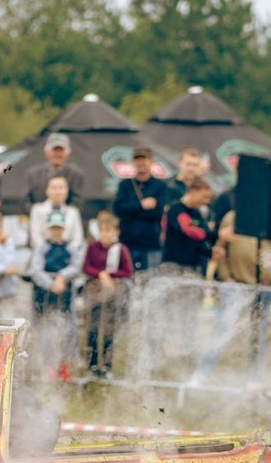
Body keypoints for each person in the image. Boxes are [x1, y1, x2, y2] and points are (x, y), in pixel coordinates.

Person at [28, 210, 83, 376]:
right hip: (44, 297)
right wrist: (51, 284)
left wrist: (62, 276)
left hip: (65, 297)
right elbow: (36, 270)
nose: (56, 231)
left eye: (59, 228)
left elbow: (76, 266)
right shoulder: (41, 248)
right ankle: (47, 366)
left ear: (63, 228)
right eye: (53, 228)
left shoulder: (71, 248)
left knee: (67, 330)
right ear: (49, 229)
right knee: (45, 331)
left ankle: (64, 364)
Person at [81, 211, 133, 376]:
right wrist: (101, 274)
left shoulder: (121, 249)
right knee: (93, 328)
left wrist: (110, 276)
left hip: (113, 293)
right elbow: (86, 267)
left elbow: (127, 271)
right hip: (94, 293)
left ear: (116, 232)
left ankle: (107, 365)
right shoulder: (92, 247)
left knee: (109, 329)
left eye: (109, 230)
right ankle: (92, 365)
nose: (105, 234)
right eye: (102, 230)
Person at [112, 145, 166, 274]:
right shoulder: (124, 185)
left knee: (151, 282)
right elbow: (118, 209)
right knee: (127, 279)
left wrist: (132, 210)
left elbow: (158, 212)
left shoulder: (160, 186)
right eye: (137, 159)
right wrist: (141, 205)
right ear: (132, 162)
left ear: (151, 161)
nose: (141, 162)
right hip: (128, 242)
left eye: (144, 158)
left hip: (150, 243)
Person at [160, 179, 217, 274]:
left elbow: (199, 241)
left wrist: (210, 252)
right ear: (193, 192)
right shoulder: (176, 209)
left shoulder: (196, 213)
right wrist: (217, 234)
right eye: (204, 197)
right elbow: (189, 230)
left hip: (193, 265)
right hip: (175, 264)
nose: (206, 201)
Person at [22, 132, 88, 207]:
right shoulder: (33, 174)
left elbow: (78, 201)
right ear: (46, 151)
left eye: (61, 150)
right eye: (54, 150)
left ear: (68, 152)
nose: (58, 154)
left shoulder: (76, 175)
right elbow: (25, 201)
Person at [27, 175, 84, 255]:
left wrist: (64, 253)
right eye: (54, 188)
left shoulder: (73, 212)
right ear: (47, 190)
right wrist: (50, 253)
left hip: (67, 256)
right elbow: (35, 237)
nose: (58, 191)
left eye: (61, 187)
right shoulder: (37, 210)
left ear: (67, 191)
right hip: (42, 256)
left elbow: (77, 239)